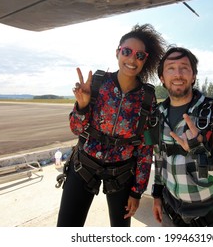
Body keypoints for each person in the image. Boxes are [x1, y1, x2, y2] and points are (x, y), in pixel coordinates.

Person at [57, 24, 166, 227]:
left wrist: (137, 191)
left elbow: (147, 148)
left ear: (145, 60)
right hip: (84, 165)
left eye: (139, 55)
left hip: (122, 174)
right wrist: (82, 105)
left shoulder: (149, 99)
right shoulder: (98, 84)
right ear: (118, 52)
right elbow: (76, 129)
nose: (132, 59)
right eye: (127, 52)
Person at [151, 46, 213, 227]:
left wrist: (203, 154)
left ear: (193, 76)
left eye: (184, 67)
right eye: (171, 68)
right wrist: (157, 195)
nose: (178, 74)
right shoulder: (158, 116)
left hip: (209, 216)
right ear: (162, 78)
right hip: (170, 211)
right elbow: (160, 158)